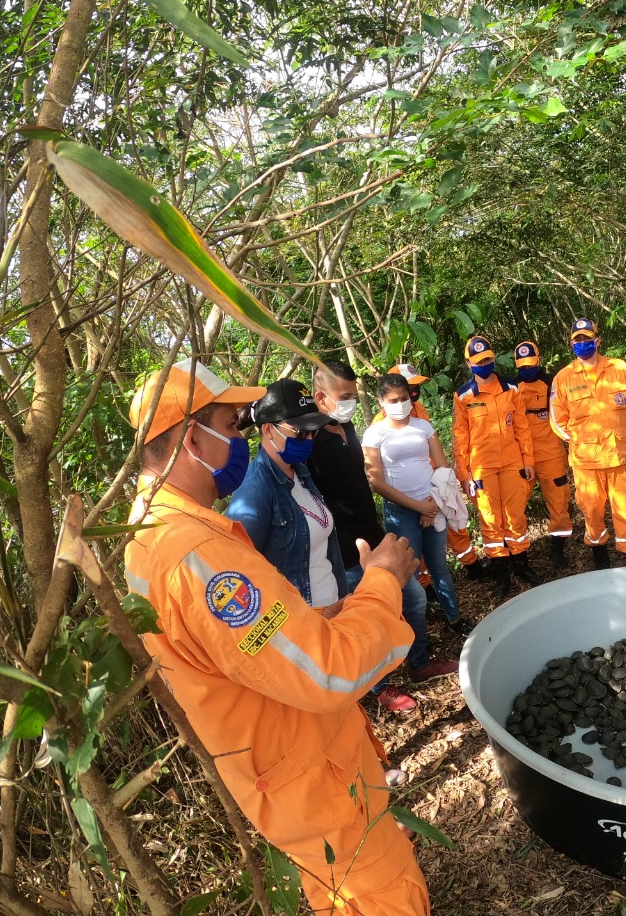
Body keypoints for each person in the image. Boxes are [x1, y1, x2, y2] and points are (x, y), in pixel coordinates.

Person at [124, 358, 430, 916]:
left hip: (298, 761)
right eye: (232, 425)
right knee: (383, 895)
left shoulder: (149, 534)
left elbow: (256, 647)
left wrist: (338, 610)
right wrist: (383, 582)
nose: (239, 438)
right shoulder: (199, 557)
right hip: (313, 782)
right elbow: (326, 672)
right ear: (194, 436)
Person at [309, 361, 444, 714]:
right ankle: (379, 687)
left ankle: (419, 664)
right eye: (345, 396)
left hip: (373, 536)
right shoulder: (311, 441)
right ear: (321, 397)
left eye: (354, 396)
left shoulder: (347, 427)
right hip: (344, 548)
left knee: (412, 599)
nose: (351, 403)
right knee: (363, 618)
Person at [361, 373, 466, 681]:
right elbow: (376, 481)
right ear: (381, 402)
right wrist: (417, 506)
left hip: (433, 503)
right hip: (402, 512)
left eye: (404, 398)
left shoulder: (423, 427)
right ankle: (416, 648)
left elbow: (441, 465)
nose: (400, 405)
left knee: (439, 566)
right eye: (393, 401)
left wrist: (431, 501)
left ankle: (455, 619)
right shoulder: (374, 434)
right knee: (408, 578)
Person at [226, 378, 345, 611]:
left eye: (314, 432)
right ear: (269, 430)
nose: (310, 440)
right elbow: (241, 578)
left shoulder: (301, 472)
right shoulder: (253, 493)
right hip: (304, 623)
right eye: (301, 433)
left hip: (334, 606)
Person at [549, 318, 626, 568]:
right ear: (571, 344)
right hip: (586, 460)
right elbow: (557, 420)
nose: (582, 343)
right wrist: (581, 440)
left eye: (587, 338)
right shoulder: (563, 377)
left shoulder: (618, 367)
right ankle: (598, 550)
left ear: (598, 340)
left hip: (618, 455)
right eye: (577, 339)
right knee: (591, 508)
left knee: (625, 504)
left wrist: (621, 431)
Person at [452, 336, 543, 600]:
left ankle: (521, 565)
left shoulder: (512, 389)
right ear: (469, 363)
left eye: (488, 359)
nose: (485, 365)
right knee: (491, 520)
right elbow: (460, 437)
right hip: (482, 468)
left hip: (513, 462)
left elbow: (522, 429)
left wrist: (528, 461)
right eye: (479, 361)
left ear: (494, 358)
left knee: (515, 515)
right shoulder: (464, 396)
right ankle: (501, 573)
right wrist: (464, 474)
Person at [395, 362, 484, 579]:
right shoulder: (384, 423)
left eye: (416, 387)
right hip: (414, 491)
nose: (415, 392)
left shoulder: (419, 409)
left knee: (454, 521)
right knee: (417, 538)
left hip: (437, 478)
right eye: (410, 387)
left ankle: (471, 565)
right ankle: (424, 582)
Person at [512, 340, 574, 571]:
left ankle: (558, 549)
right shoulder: (511, 387)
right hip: (520, 458)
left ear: (539, 359)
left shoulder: (552, 384)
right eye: (522, 366)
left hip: (551, 455)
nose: (527, 369)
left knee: (559, 503)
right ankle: (518, 554)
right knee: (516, 504)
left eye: (531, 364)